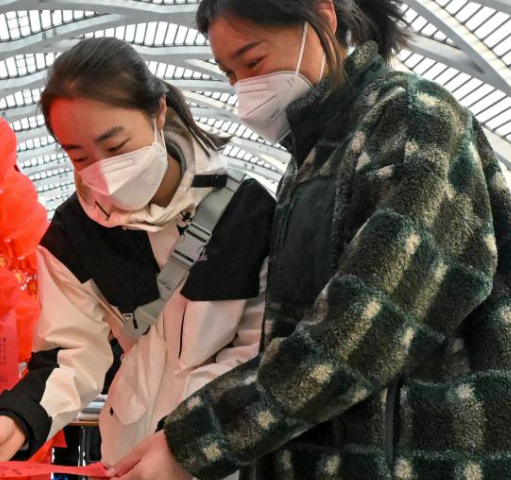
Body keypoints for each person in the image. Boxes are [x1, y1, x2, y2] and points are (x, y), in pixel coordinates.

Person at [108, 1, 511, 480]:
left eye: (252, 61)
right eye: (230, 73)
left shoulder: (412, 120)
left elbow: (366, 324)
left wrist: (194, 440)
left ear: (322, 15)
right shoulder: (311, 161)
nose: (242, 89)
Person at [0, 37, 276, 479]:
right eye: (79, 155)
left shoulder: (247, 211)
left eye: (116, 145)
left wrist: (186, 441)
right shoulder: (73, 236)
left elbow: (259, 348)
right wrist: (16, 419)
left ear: (159, 112)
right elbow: (71, 354)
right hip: (128, 456)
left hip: (224, 452)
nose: (102, 170)